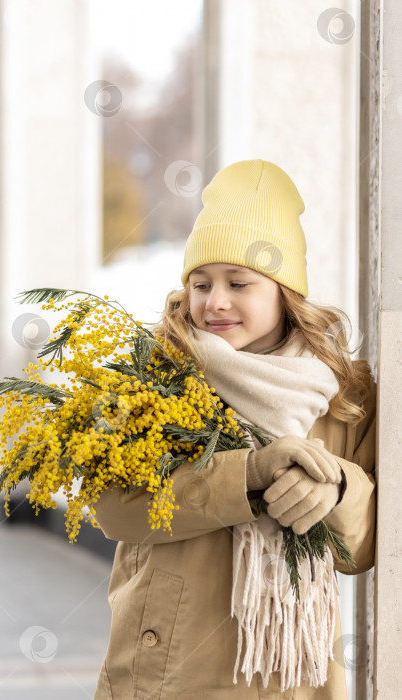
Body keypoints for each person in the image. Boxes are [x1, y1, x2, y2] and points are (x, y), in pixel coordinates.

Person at [93, 159, 376, 699]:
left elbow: (364, 549)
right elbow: (114, 506)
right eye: (201, 283)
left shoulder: (346, 394)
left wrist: (334, 487)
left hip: (291, 675)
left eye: (238, 282)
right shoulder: (156, 374)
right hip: (169, 670)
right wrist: (247, 473)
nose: (214, 301)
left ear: (283, 291)